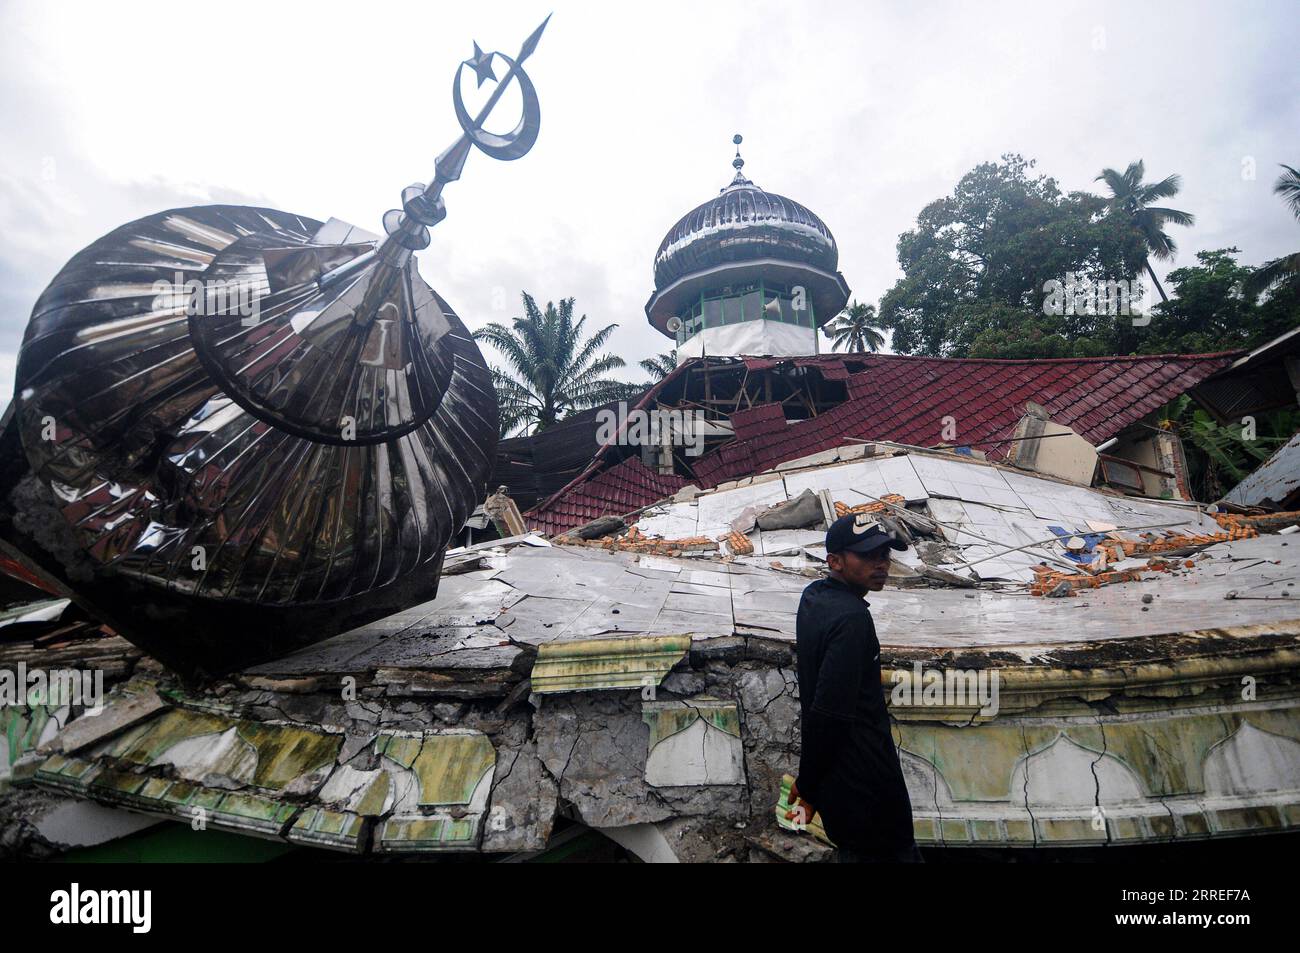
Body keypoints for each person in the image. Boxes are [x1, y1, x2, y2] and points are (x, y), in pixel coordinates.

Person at [786, 512, 923, 863]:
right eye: (867, 555)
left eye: (884, 555)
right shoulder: (853, 619)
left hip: (839, 785)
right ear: (835, 561)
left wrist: (812, 783)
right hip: (868, 789)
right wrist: (808, 785)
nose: (881, 564)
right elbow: (831, 714)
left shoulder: (814, 597)